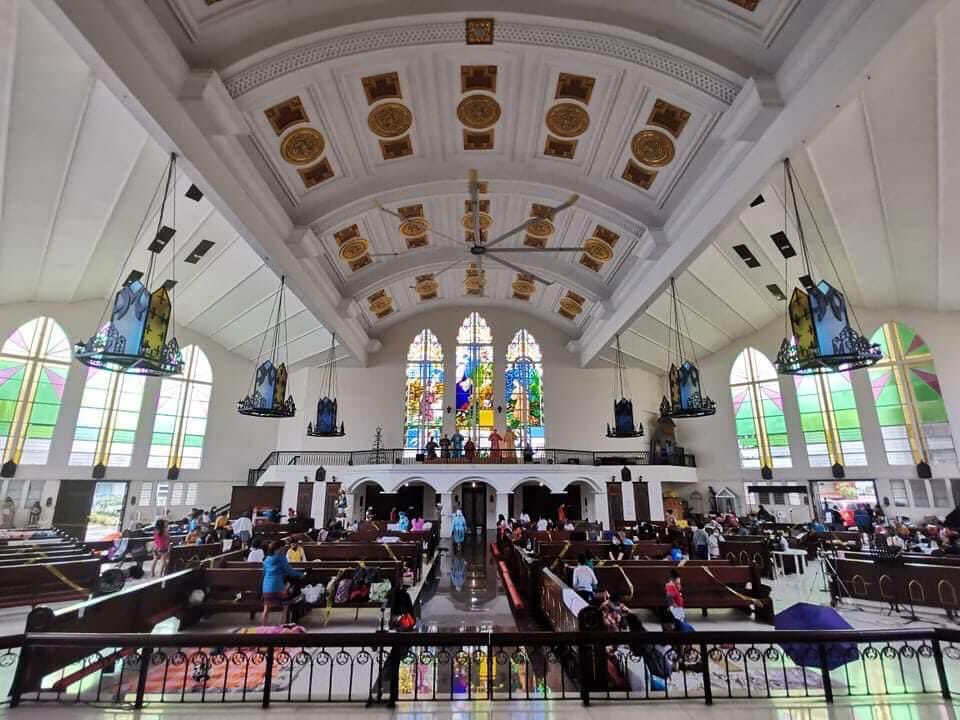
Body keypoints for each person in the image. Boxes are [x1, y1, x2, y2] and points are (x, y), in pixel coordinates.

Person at [261, 541, 304, 626]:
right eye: (283, 548)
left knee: (266, 608)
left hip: (266, 588)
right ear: (278, 549)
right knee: (285, 607)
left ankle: (263, 629)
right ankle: (281, 628)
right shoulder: (281, 558)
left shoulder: (266, 559)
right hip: (277, 588)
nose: (284, 550)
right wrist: (301, 575)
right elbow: (290, 571)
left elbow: (264, 573)